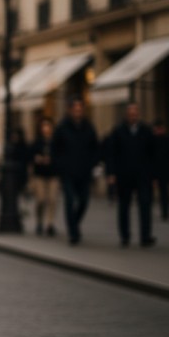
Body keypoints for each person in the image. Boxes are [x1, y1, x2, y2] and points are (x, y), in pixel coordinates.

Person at [105, 103, 156, 247]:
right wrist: (111, 173)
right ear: (126, 115)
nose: (133, 116)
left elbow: (153, 154)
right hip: (124, 175)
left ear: (138, 114)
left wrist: (154, 176)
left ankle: (145, 236)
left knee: (145, 205)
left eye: (135, 113)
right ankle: (125, 235)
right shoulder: (118, 131)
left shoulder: (146, 131)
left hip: (143, 175)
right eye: (131, 113)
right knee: (124, 206)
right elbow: (111, 154)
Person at [52, 99, 99, 245]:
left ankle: (74, 223)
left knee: (84, 201)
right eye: (76, 109)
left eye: (80, 109)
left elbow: (95, 147)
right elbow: (55, 149)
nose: (78, 112)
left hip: (84, 172)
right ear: (70, 110)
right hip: (67, 172)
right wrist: (60, 166)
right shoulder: (62, 127)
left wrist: (92, 164)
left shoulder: (88, 127)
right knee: (70, 200)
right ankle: (73, 232)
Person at [30, 118, 58, 236]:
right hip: (39, 174)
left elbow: (61, 156)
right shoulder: (37, 142)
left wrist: (52, 160)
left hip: (53, 174)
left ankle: (50, 224)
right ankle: (39, 221)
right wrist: (38, 159)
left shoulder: (56, 142)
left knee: (52, 199)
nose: (46, 129)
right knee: (41, 199)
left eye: (48, 126)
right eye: (44, 126)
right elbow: (30, 155)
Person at [151, 120, 169, 220]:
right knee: (163, 192)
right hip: (160, 170)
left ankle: (165, 212)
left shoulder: (162, 139)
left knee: (164, 192)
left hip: (161, 171)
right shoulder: (164, 139)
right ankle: (164, 212)